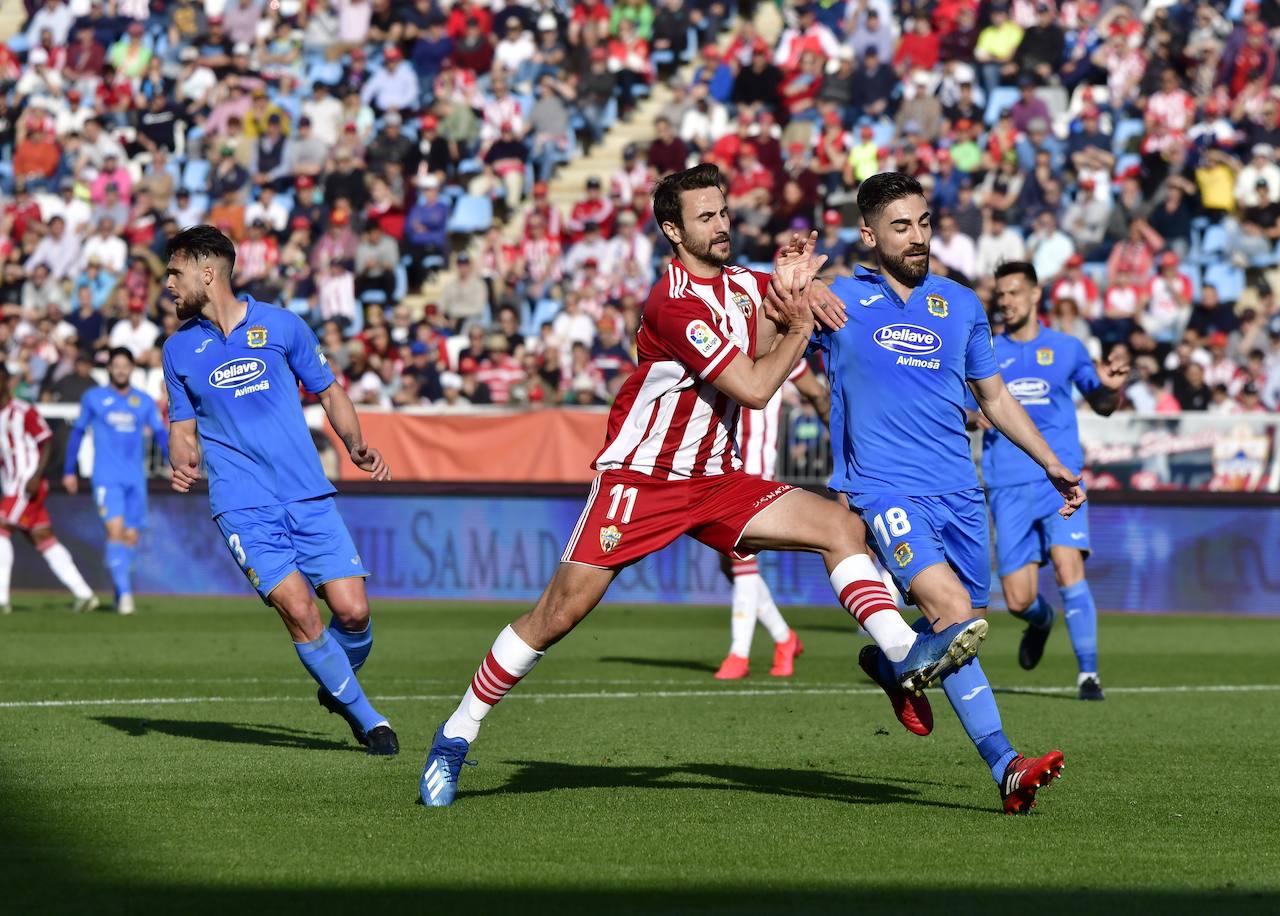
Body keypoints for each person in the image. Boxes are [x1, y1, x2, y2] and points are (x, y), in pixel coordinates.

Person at [418, 165, 961, 807]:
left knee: (841, 528)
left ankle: (901, 653)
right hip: (642, 479)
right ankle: (456, 735)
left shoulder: (741, 284)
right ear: (673, 230)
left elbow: (786, 305)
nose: (723, 223)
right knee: (557, 614)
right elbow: (757, 387)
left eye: (724, 211)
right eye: (706, 217)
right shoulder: (671, 302)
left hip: (716, 478)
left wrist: (799, 286)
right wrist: (796, 324)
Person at [811, 173, 1082, 814]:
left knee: (955, 628)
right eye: (900, 226)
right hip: (882, 489)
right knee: (955, 612)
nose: (917, 237)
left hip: (960, 492)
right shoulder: (839, 300)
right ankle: (1007, 766)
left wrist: (1051, 462)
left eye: (925, 222)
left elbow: (993, 396)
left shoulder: (960, 304)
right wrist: (790, 289)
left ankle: (893, 664)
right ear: (869, 234)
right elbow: (769, 333)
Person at [160, 226, 398, 756]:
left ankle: (336, 684)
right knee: (299, 609)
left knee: (353, 611)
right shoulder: (178, 350)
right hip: (241, 504)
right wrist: (183, 461)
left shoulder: (282, 326)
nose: (169, 285)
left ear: (207, 271)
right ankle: (368, 719)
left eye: (175, 273)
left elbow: (328, 391)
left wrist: (356, 445)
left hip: (306, 492)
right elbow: (180, 427)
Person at [974, 262, 1128, 701]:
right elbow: (969, 407)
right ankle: (1041, 621)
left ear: (1036, 294)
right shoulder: (984, 352)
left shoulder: (1068, 348)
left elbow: (1100, 403)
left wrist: (1111, 390)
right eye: (1001, 294)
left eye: (1014, 292)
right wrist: (973, 415)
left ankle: (1088, 676)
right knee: (1018, 600)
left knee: (1067, 565)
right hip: (1006, 484)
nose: (1006, 301)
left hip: (1059, 480)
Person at [712, 360, 829, 680]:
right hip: (721, 471)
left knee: (742, 562)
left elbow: (817, 394)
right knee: (730, 564)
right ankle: (784, 638)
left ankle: (739, 654)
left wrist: (839, 429)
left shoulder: (781, 354)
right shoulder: (737, 346)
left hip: (752, 472)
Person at [61, 348, 169, 614]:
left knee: (131, 537)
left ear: (132, 368)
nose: (121, 370)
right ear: (109, 368)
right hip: (106, 478)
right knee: (114, 531)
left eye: (125, 365)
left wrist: (173, 463)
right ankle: (126, 597)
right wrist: (68, 470)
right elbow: (76, 434)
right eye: (116, 365)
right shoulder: (94, 398)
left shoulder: (143, 402)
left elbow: (160, 434)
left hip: (135, 479)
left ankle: (121, 591)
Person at [0, 362, 100, 614]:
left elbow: (47, 442)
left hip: (25, 484)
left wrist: (36, 475)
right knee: (43, 539)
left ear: (6, 380)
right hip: (11, 484)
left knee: (1, 530)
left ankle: (1, 598)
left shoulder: (23, 411)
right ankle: (85, 595)